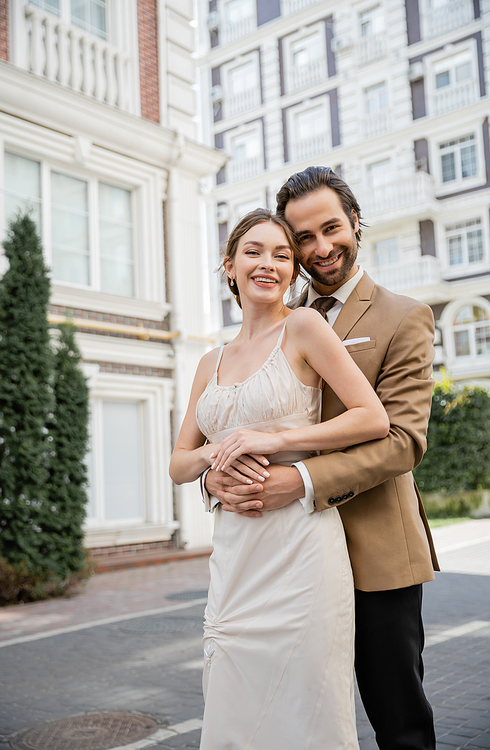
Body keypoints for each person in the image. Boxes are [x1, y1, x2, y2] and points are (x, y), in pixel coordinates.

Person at [203, 167, 440, 750]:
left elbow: (403, 439)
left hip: (377, 550)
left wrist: (301, 480)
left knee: (398, 720)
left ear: (356, 223)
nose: (320, 247)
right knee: (298, 708)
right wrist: (219, 480)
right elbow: (237, 422)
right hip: (288, 558)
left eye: (331, 228)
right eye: (303, 237)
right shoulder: (274, 319)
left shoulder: (402, 316)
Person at [170, 208, 390, 749]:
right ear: (229, 265)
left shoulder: (304, 327)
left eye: (282, 255)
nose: (268, 264)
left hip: (301, 550)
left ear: (294, 272)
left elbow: (372, 418)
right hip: (236, 557)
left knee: (305, 709)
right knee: (233, 707)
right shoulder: (209, 362)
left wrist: (272, 440)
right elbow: (179, 463)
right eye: (254, 251)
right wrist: (214, 459)